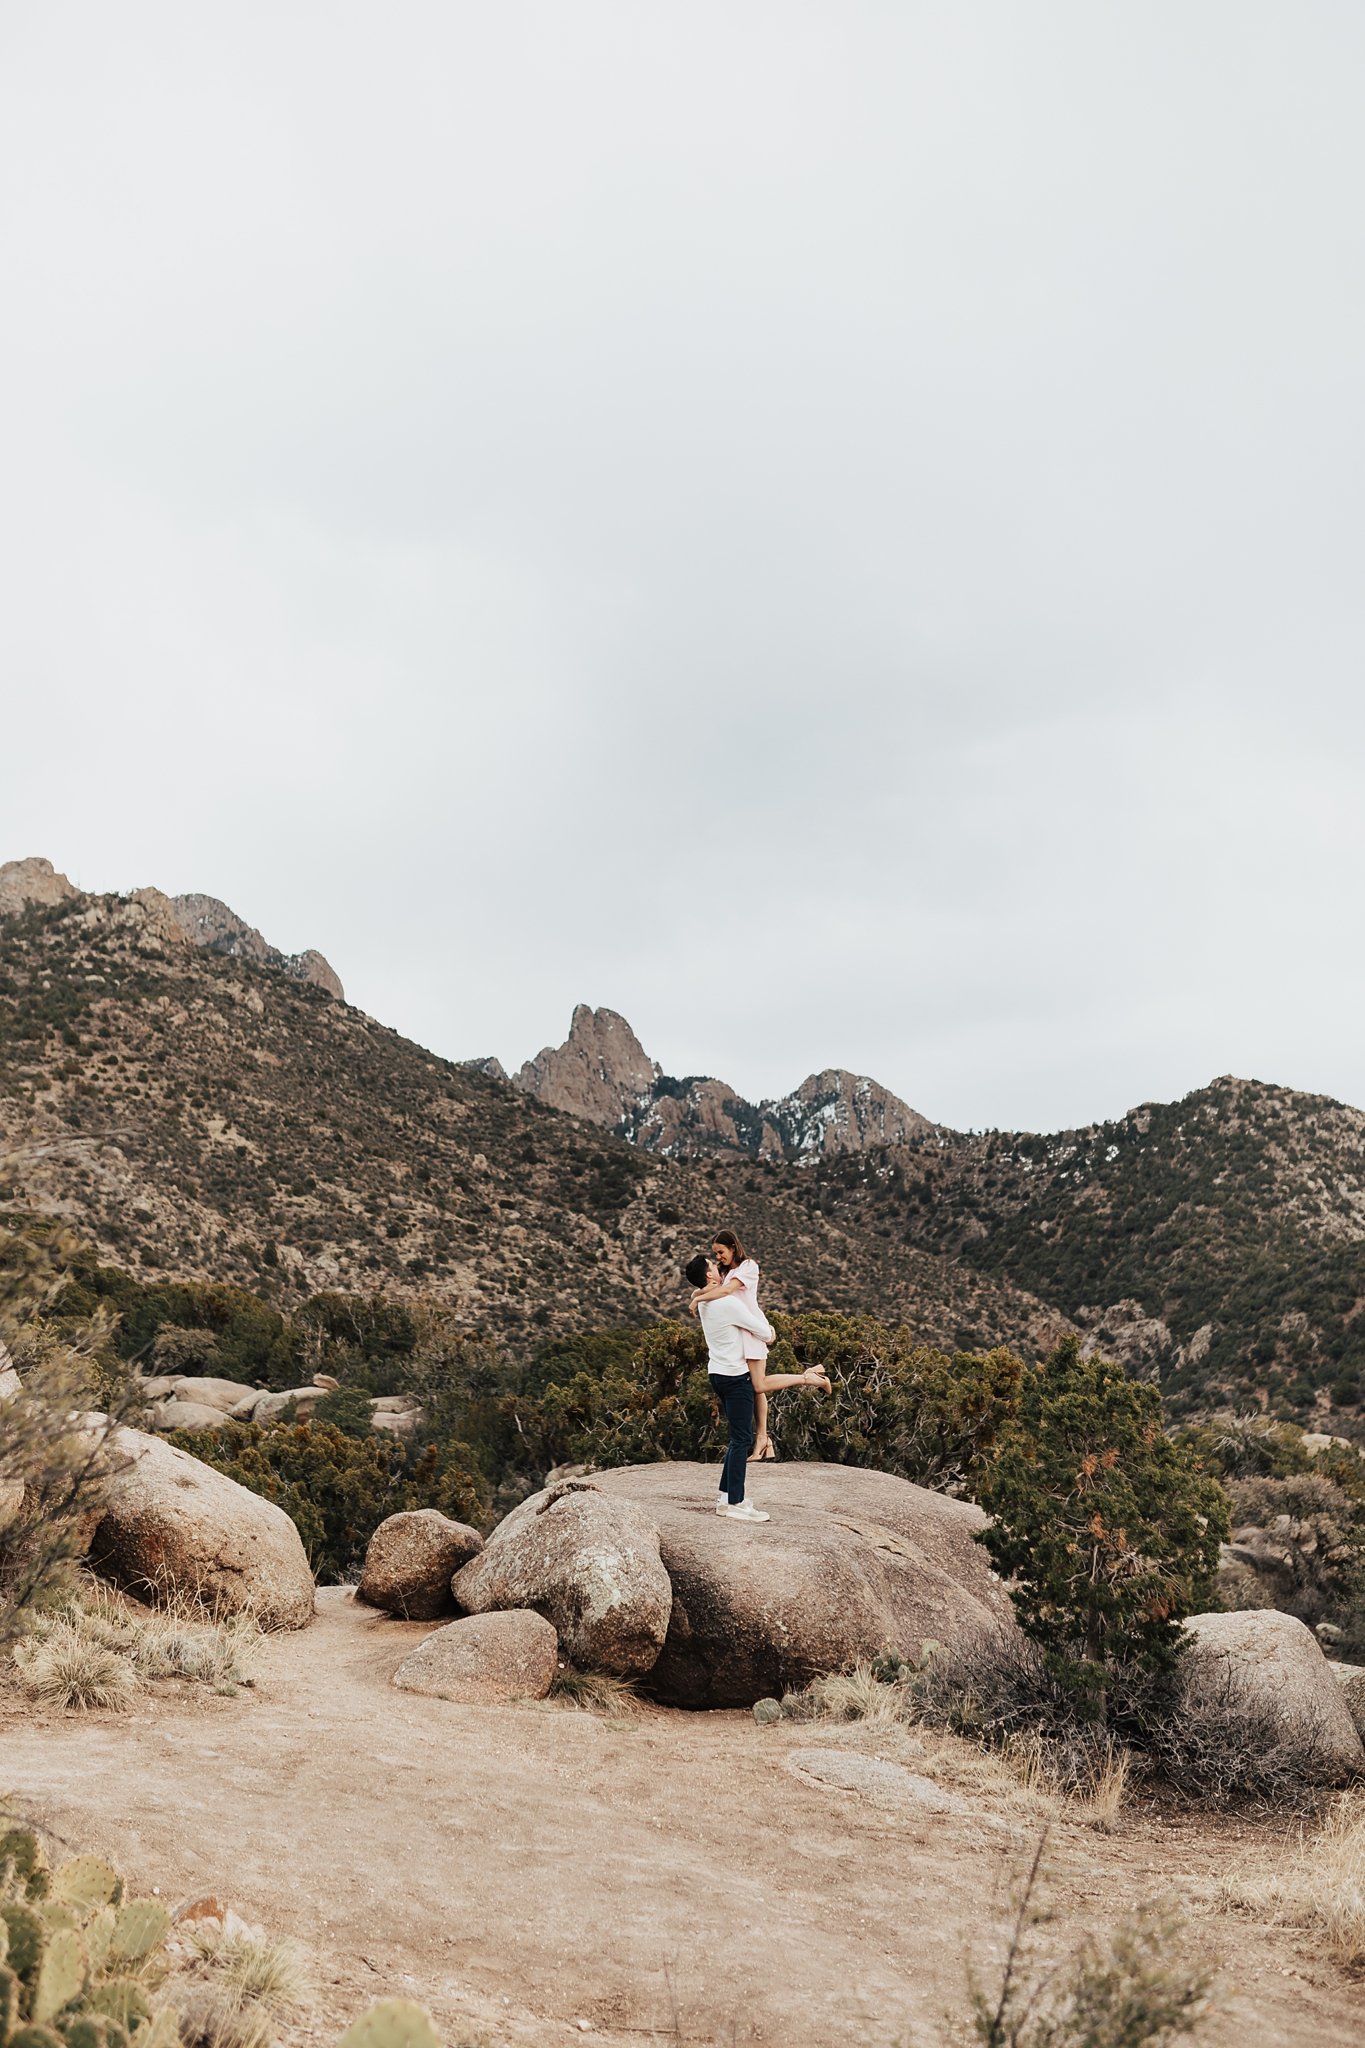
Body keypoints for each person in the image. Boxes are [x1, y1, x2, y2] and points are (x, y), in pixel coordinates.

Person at [683, 1252, 830, 1521]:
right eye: (714, 1266)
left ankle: (727, 1497)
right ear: (709, 1275)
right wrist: (771, 1331)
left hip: (717, 1373)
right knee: (741, 1439)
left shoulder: (704, 1304)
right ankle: (736, 1504)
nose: (718, 1267)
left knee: (735, 1439)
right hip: (735, 1378)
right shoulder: (727, 1303)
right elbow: (764, 1333)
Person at [688, 1228, 775, 1460]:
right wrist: (697, 1293)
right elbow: (709, 1287)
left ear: (733, 1247)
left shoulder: (748, 1267)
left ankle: (808, 1378)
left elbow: (726, 1290)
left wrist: (697, 1299)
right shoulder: (722, 1271)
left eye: (721, 1252)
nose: (718, 1257)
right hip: (738, 1331)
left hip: (752, 1328)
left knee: (759, 1386)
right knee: (753, 1389)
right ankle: (763, 1440)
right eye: (715, 1254)